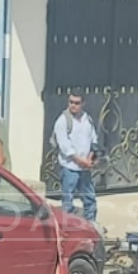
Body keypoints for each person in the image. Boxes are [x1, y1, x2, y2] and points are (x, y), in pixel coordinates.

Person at [53, 89, 98, 221]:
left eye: (76, 103)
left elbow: (93, 140)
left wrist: (91, 158)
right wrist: (80, 161)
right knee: (68, 202)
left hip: (84, 169)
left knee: (90, 200)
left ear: (83, 103)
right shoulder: (63, 120)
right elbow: (65, 146)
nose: (73, 105)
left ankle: (91, 227)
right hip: (70, 168)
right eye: (71, 102)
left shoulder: (87, 119)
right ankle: (67, 229)